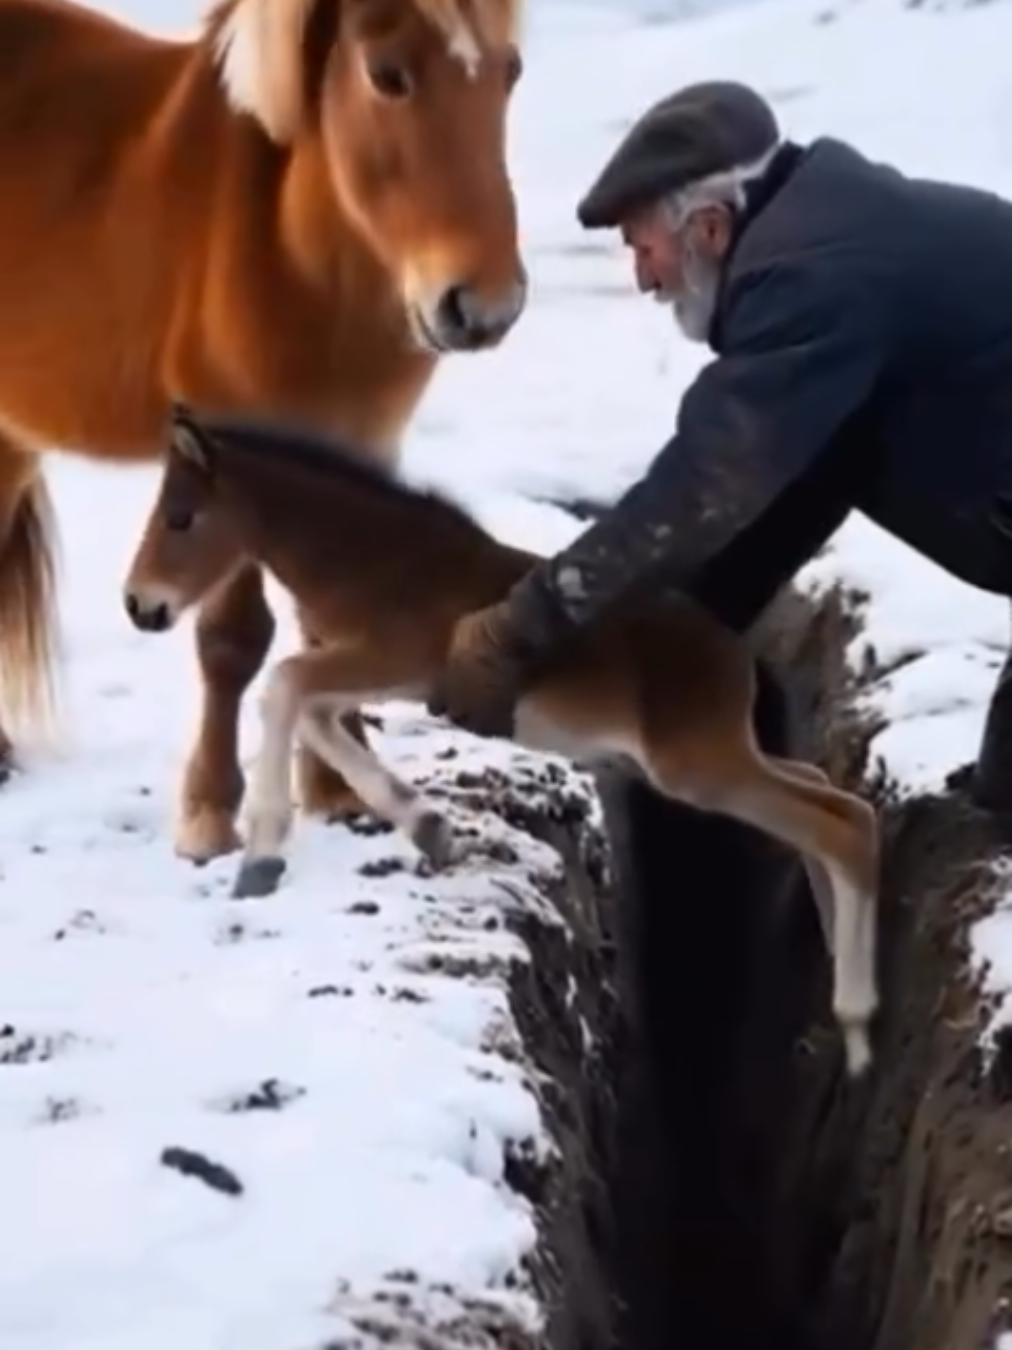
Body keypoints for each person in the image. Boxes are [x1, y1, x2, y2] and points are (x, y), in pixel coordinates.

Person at [426, 78, 1012, 812]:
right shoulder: (833, 241)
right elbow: (805, 481)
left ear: (708, 228)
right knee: (998, 805)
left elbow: (709, 482)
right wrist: (673, 640)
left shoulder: (814, 278)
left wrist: (518, 631)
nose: (642, 279)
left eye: (643, 248)